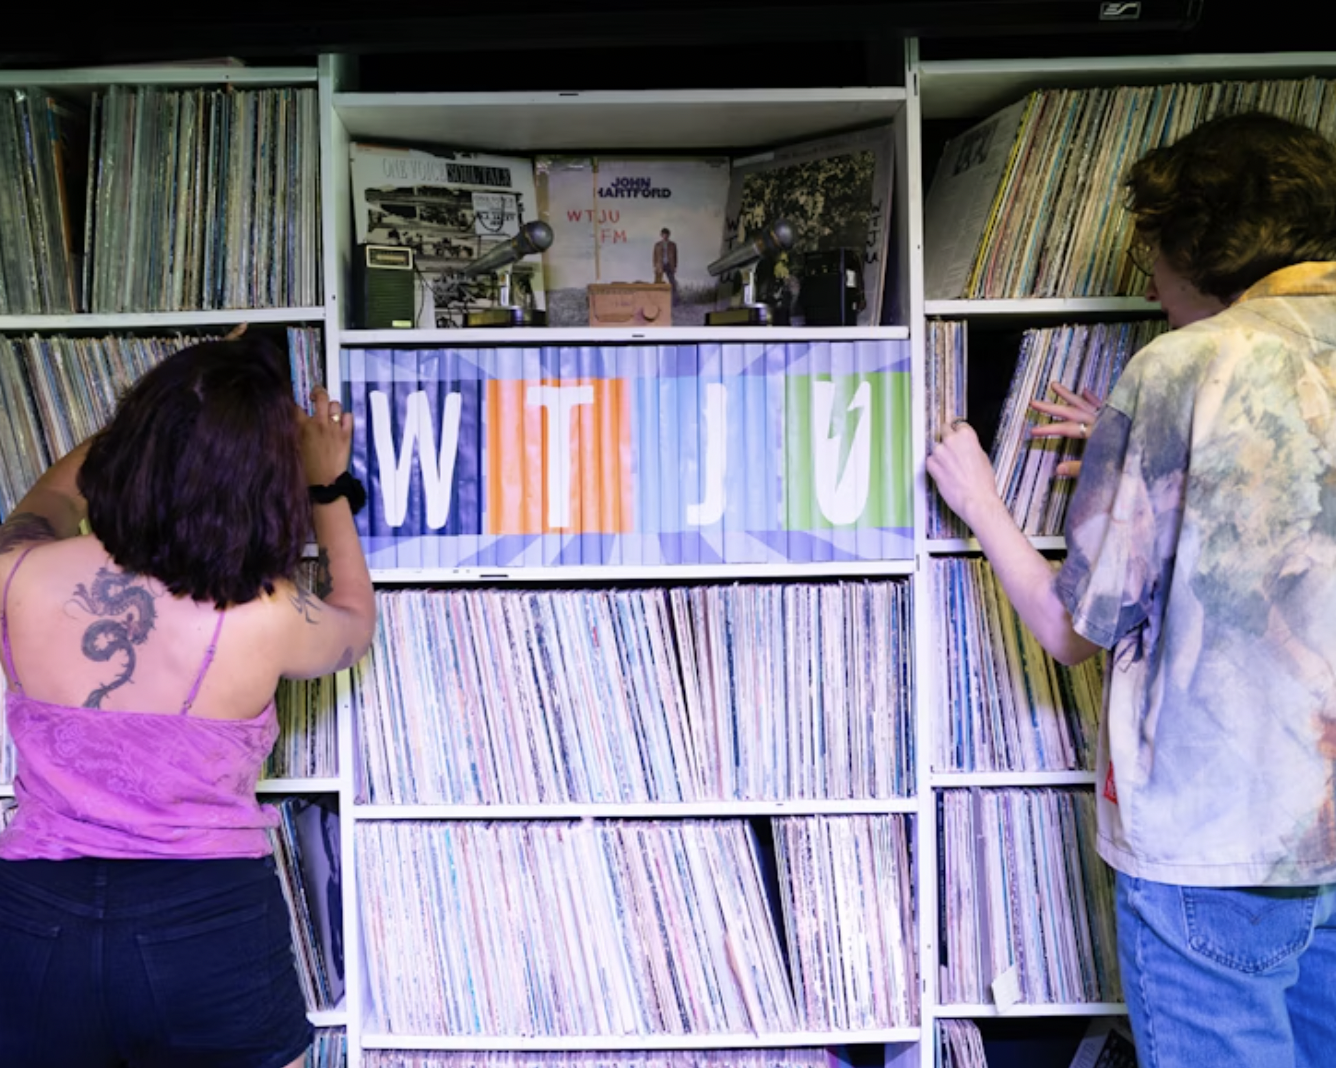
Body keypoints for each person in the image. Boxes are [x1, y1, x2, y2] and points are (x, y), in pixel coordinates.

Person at [927, 110, 1336, 1068]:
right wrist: (1136, 447)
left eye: (1151, 255)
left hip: (1219, 841)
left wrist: (982, 500)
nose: (1148, 285)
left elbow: (1077, 631)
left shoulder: (1185, 366)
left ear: (1201, 241)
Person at [0, 332, 376, 1068]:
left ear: (128, 450)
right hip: (206, 928)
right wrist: (326, 486)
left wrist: (163, 420)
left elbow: (46, 498)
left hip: (31, 924)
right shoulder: (267, 613)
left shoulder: (16, 574)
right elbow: (356, 624)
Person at [652, 226, 678, 300]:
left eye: (666, 234)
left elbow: (675, 256)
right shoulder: (657, 245)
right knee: (657, 283)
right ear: (661, 235)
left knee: (672, 283)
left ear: (669, 235)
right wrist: (655, 266)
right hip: (660, 265)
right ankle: (656, 299)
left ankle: (675, 300)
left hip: (669, 265)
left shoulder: (673, 245)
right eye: (663, 234)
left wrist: (675, 266)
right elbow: (654, 256)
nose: (665, 236)